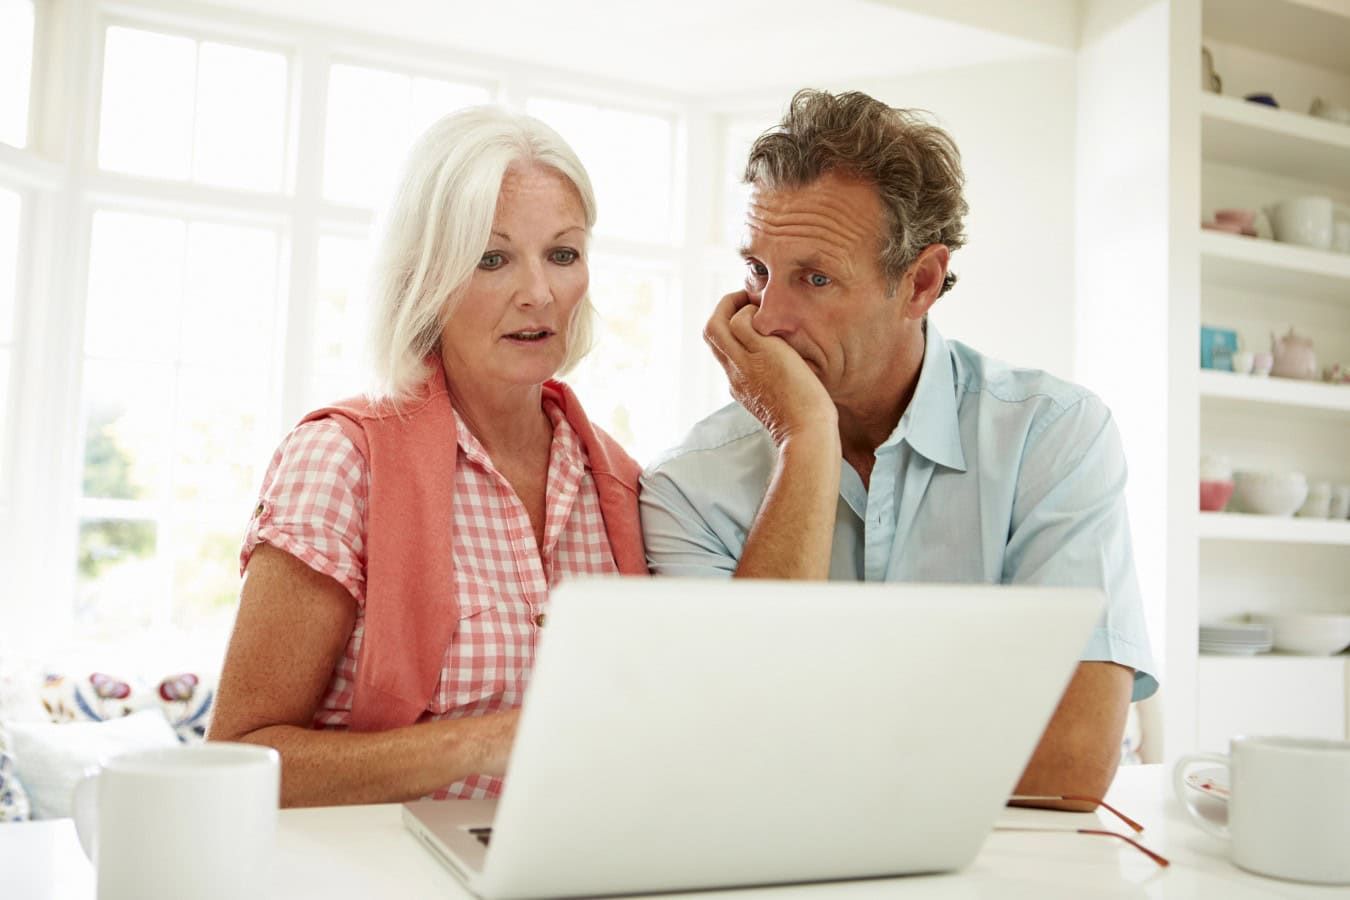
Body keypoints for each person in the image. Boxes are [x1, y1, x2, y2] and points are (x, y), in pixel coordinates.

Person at [640, 89, 1157, 806]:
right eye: (758, 271)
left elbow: (1068, 768)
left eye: (814, 279)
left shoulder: (1053, 435)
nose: (769, 320)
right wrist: (806, 439)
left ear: (919, 282)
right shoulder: (686, 484)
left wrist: (814, 751)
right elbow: (730, 751)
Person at [208, 107, 646, 807]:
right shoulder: (342, 463)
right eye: (491, 258)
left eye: (563, 254)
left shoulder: (618, 481)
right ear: (426, 275)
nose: (539, 292)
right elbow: (240, 760)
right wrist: (491, 740)